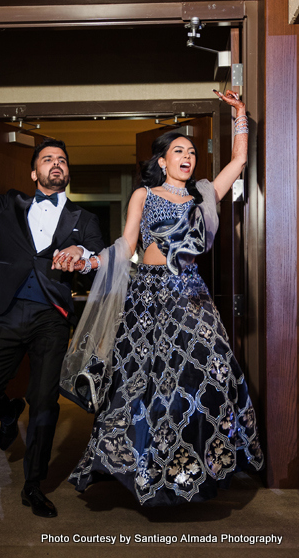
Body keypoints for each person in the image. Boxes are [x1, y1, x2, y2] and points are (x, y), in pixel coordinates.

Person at [57, 90, 264, 506]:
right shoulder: (144, 196)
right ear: (162, 161)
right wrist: (87, 263)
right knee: (140, 385)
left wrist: (240, 115)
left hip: (191, 297)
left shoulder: (203, 196)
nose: (187, 157)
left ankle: (193, 469)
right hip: (148, 297)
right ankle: (136, 470)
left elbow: (240, 162)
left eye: (191, 151)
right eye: (178, 151)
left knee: (212, 375)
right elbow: (125, 246)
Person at [0, 116, 104, 518]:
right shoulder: (9, 204)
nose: (56, 164)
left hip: (53, 315)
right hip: (8, 310)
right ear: (35, 172)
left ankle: (34, 486)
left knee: (45, 402)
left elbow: (103, 262)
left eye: (62, 160)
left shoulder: (85, 220)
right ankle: (8, 411)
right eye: (48, 159)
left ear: (68, 171)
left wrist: (83, 258)